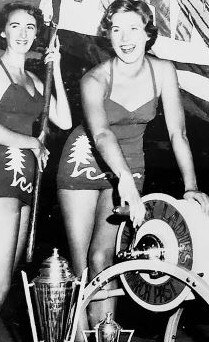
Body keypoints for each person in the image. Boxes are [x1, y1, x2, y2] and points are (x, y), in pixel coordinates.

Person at [56, 0, 209, 336]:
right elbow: (100, 133)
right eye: (116, 30)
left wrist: (191, 186)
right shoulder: (94, 79)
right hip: (85, 159)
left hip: (131, 163)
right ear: (108, 36)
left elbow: (177, 132)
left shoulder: (164, 71)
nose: (125, 37)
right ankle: (78, 336)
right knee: (81, 265)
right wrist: (123, 179)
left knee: (104, 258)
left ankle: (106, 334)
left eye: (133, 28)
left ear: (147, 34)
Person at [0, 1, 71, 339]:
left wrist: (54, 70)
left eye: (30, 27)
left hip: (25, 184)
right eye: (15, 26)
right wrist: (31, 144)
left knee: (7, 279)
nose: (23, 34)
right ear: (3, 31)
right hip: (2, 176)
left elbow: (64, 120)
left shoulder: (31, 79)